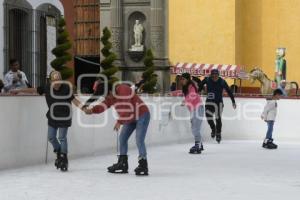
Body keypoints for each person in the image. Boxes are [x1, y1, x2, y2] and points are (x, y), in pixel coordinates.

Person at [11, 71, 84, 172]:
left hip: (64, 116)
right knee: (51, 137)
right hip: (53, 117)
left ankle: (64, 157)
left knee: (62, 137)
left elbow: (74, 100)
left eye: (59, 80)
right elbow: (34, 90)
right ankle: (59, 152)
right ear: (50, 81)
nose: (57, 83)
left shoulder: (66, 88)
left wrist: (84, 108)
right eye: (55, 81)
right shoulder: (46, 87)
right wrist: (19, 90)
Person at [83, 82, 151, 176]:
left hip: (142, 114)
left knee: (139, 139)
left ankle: (143, 165)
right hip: (129, 118)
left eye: (106, 95)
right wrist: (92, 110)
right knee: (122, 138)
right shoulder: (110, 97)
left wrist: (119, 121)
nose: (106, 98)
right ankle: (122, 163)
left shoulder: (123, 89)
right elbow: (103, 105)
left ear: (110, 91)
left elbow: (128, 107)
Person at [199, 69, 237, 143]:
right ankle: (213, 129)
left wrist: (233, 101)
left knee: (218, 118)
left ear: (218, 75)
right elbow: (200, 85)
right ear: (211, 75)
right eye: (213, 75)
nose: (214, 77)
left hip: (219, 103)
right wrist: (199, 91)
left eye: (216, 75)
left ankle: (218, 134)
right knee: (209, 117)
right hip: (209, 103)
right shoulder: (207, 79)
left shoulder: (222, 81)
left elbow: (229, 91)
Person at [181, 73, 204, 154]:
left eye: (183, 79)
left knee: (195, 128)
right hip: (194, 110)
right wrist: (172, 93)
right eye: (181, 79)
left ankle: (197, 144)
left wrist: (185, 101)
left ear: (188, 79)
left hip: (198, 108)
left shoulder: (191, 85)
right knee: (194, 128)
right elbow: (180, 93)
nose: (182, 81)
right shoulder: (186, 88)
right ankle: (200, 144)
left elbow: (193, 95)